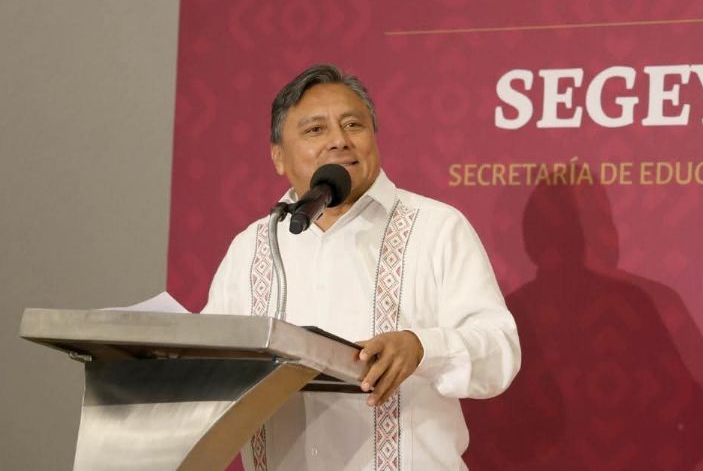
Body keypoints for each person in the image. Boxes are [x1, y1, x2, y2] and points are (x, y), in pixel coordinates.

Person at [202, 64, 520, 470]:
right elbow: (208, 368)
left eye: (353, 125)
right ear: (278, 156)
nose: (339, 140)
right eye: (315, 130)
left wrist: (422, 348)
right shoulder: (252, 246)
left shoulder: (436, 227)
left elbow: (499, 351)